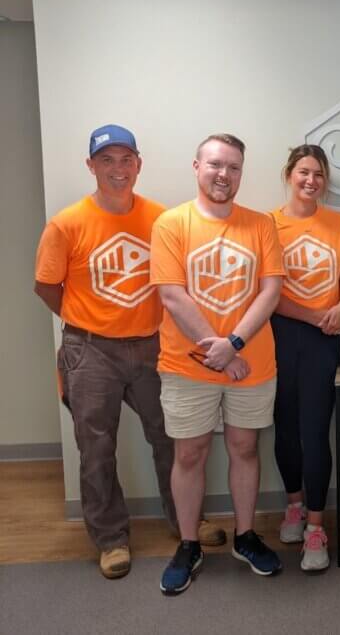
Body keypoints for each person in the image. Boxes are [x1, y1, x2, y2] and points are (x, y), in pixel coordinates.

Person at [33, 124, 225, 580]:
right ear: (91, 165)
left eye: (126, 160)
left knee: (173, 436)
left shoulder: (162, 219)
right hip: (90, 352)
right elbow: (45, 286)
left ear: (138, 163)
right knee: (96, 448)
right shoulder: (66, 223)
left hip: (154, 346)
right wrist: (88, 321)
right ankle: (111, 538)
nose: (118, 169)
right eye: (107, 160)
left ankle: (185, 523)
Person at [151, 134, 285, 595]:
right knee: (189, 455)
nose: (223, 174)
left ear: (241, 173)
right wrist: (220, 355)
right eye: (215, 165)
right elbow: (172, 295)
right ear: (196, 166)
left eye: (233, 167)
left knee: (245, 448)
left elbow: (270, 291)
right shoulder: (171, 224)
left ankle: (245, 537)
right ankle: (188, 545)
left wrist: (234, 343)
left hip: (252, 362)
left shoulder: (262, 224)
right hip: (188, 366)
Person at [270, 145, 340, 571]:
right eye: (304, 172)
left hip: (326, 340)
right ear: (289, 174)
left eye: (319, 174)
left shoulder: (339, 223)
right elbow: (266, 292)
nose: (311, 181)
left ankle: (316, 528)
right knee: (285, 427)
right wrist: (313, 315)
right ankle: (293, 505)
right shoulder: (267, 224)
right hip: (280, 336)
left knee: (315, 430)